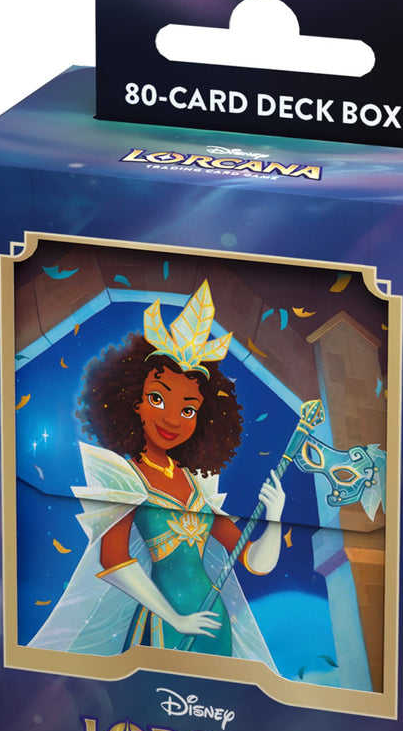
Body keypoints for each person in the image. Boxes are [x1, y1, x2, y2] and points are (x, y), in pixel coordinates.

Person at [29, 282, 284, 663]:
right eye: (157, 398)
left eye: (188, 409)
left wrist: (275, 516)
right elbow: (113, 559)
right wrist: (175, 618)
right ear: (133, 402)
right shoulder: (124, 478)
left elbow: (253, 562)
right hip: (166, 626)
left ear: (204, 419)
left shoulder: (198, 484)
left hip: (214, 621)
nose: (172, 419)